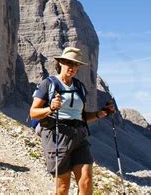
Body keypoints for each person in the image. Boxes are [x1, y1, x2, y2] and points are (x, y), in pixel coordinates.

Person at [30, 47, 115, 195]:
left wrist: (102, 113)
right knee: (62, 187)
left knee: (87, 181)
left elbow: (81, 116)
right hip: (57, 134)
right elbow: (33, 113)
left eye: (76, 64)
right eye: (69, 62)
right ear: (61, 63)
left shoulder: (79, 87)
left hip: (79, 135)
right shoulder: (48, 84)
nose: (72, 67)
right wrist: (50, 108)